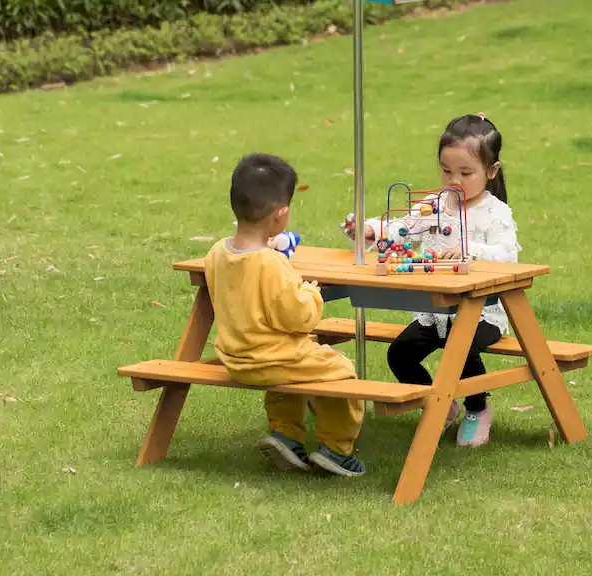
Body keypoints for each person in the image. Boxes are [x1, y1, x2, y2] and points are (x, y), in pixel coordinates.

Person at [350, 114, 520, 448]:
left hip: (481, 313)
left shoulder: (495, 213)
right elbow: (402, 227)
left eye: (465, 173)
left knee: (462, 349)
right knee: (399, 355)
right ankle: (440, 403)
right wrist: (371, 229)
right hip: (437, 311)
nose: (454, 180)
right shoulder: (435, 205)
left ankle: (477, 407)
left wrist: (471, 250)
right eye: (446, 170)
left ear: (492, 171)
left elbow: (508, 256)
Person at [207, 153, 365, 477]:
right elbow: (300, 318)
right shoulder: (271, 264)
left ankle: (285, 434)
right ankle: (337, 448)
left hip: (236, 358)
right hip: (270, 359)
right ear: (280, 214)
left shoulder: (217, 253)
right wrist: (309, 290)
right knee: (340, 369)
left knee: (292, 362)